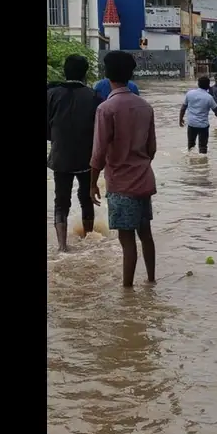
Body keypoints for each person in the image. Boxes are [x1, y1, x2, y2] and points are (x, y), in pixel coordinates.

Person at [90, 51, 158, 287]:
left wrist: (92, 184)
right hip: (143, 180)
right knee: (145, 234)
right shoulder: (145, 106)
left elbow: (98, 153)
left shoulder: (106, 109)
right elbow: (152, 149)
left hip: (120, 183)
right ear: (131, 74)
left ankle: (127, 291)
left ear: (107, 74)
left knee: (127, 241)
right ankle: (151, 281)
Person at [46, 54, 103, 252]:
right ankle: (89, 240)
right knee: (86, 198)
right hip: (87, 158)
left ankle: (62, 246)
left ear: (65, 71)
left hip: (60, 156)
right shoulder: (95, 96)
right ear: (85, 73)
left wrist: (56, 139)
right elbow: (100, 131)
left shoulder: (51, 95)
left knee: (61, 201)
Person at [180, 76, 217, 155]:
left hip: (191, 124)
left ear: (198, 84)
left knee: (191, 144)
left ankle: (191, 162)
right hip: (203, 125)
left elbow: (183, 108)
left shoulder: (190, 93)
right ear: (208, 85)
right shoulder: (209, 97)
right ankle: (203, 164)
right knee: (203, 146)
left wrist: (180, 119)